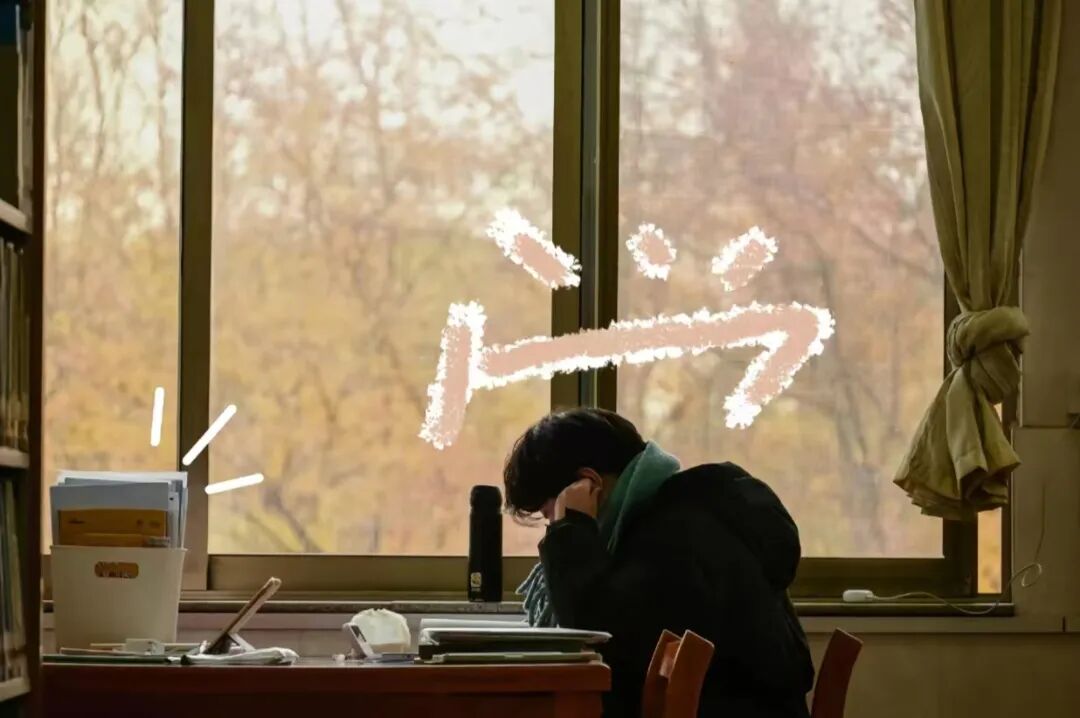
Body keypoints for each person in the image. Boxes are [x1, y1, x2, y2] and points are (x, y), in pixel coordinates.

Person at [505, 408, 814, 718]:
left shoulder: (672, 536)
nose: (553, 527)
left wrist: (571, 529)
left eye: (551, 515)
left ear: (588, 484)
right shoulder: (689, 511)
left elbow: (601, 636)